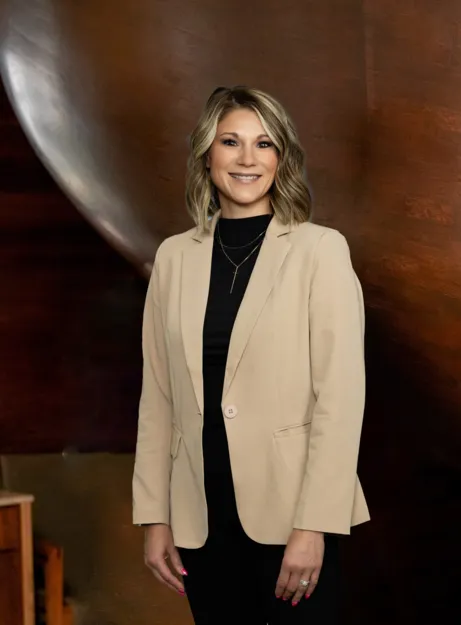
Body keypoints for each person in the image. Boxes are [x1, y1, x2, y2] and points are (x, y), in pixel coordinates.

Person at [132, 85, 369, 624]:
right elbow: (158, 399)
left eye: (264, 144)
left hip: (292, 520)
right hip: (200, 520)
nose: (247, 158)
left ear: (281, 158)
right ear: (206, 154)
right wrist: (154, 517)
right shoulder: (173, 258)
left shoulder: (320, 250)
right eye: (230, 142)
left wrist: (313, 526)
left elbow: (340, 400)